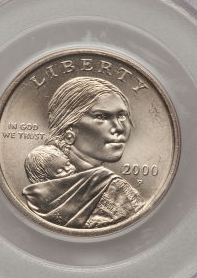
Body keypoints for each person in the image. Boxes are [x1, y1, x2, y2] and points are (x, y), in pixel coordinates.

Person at [22, 77, 143, 229]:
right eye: (101, 116)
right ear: (69, 128)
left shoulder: (37, 191)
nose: (119, 128)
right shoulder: (117, 191)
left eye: (121, 115)